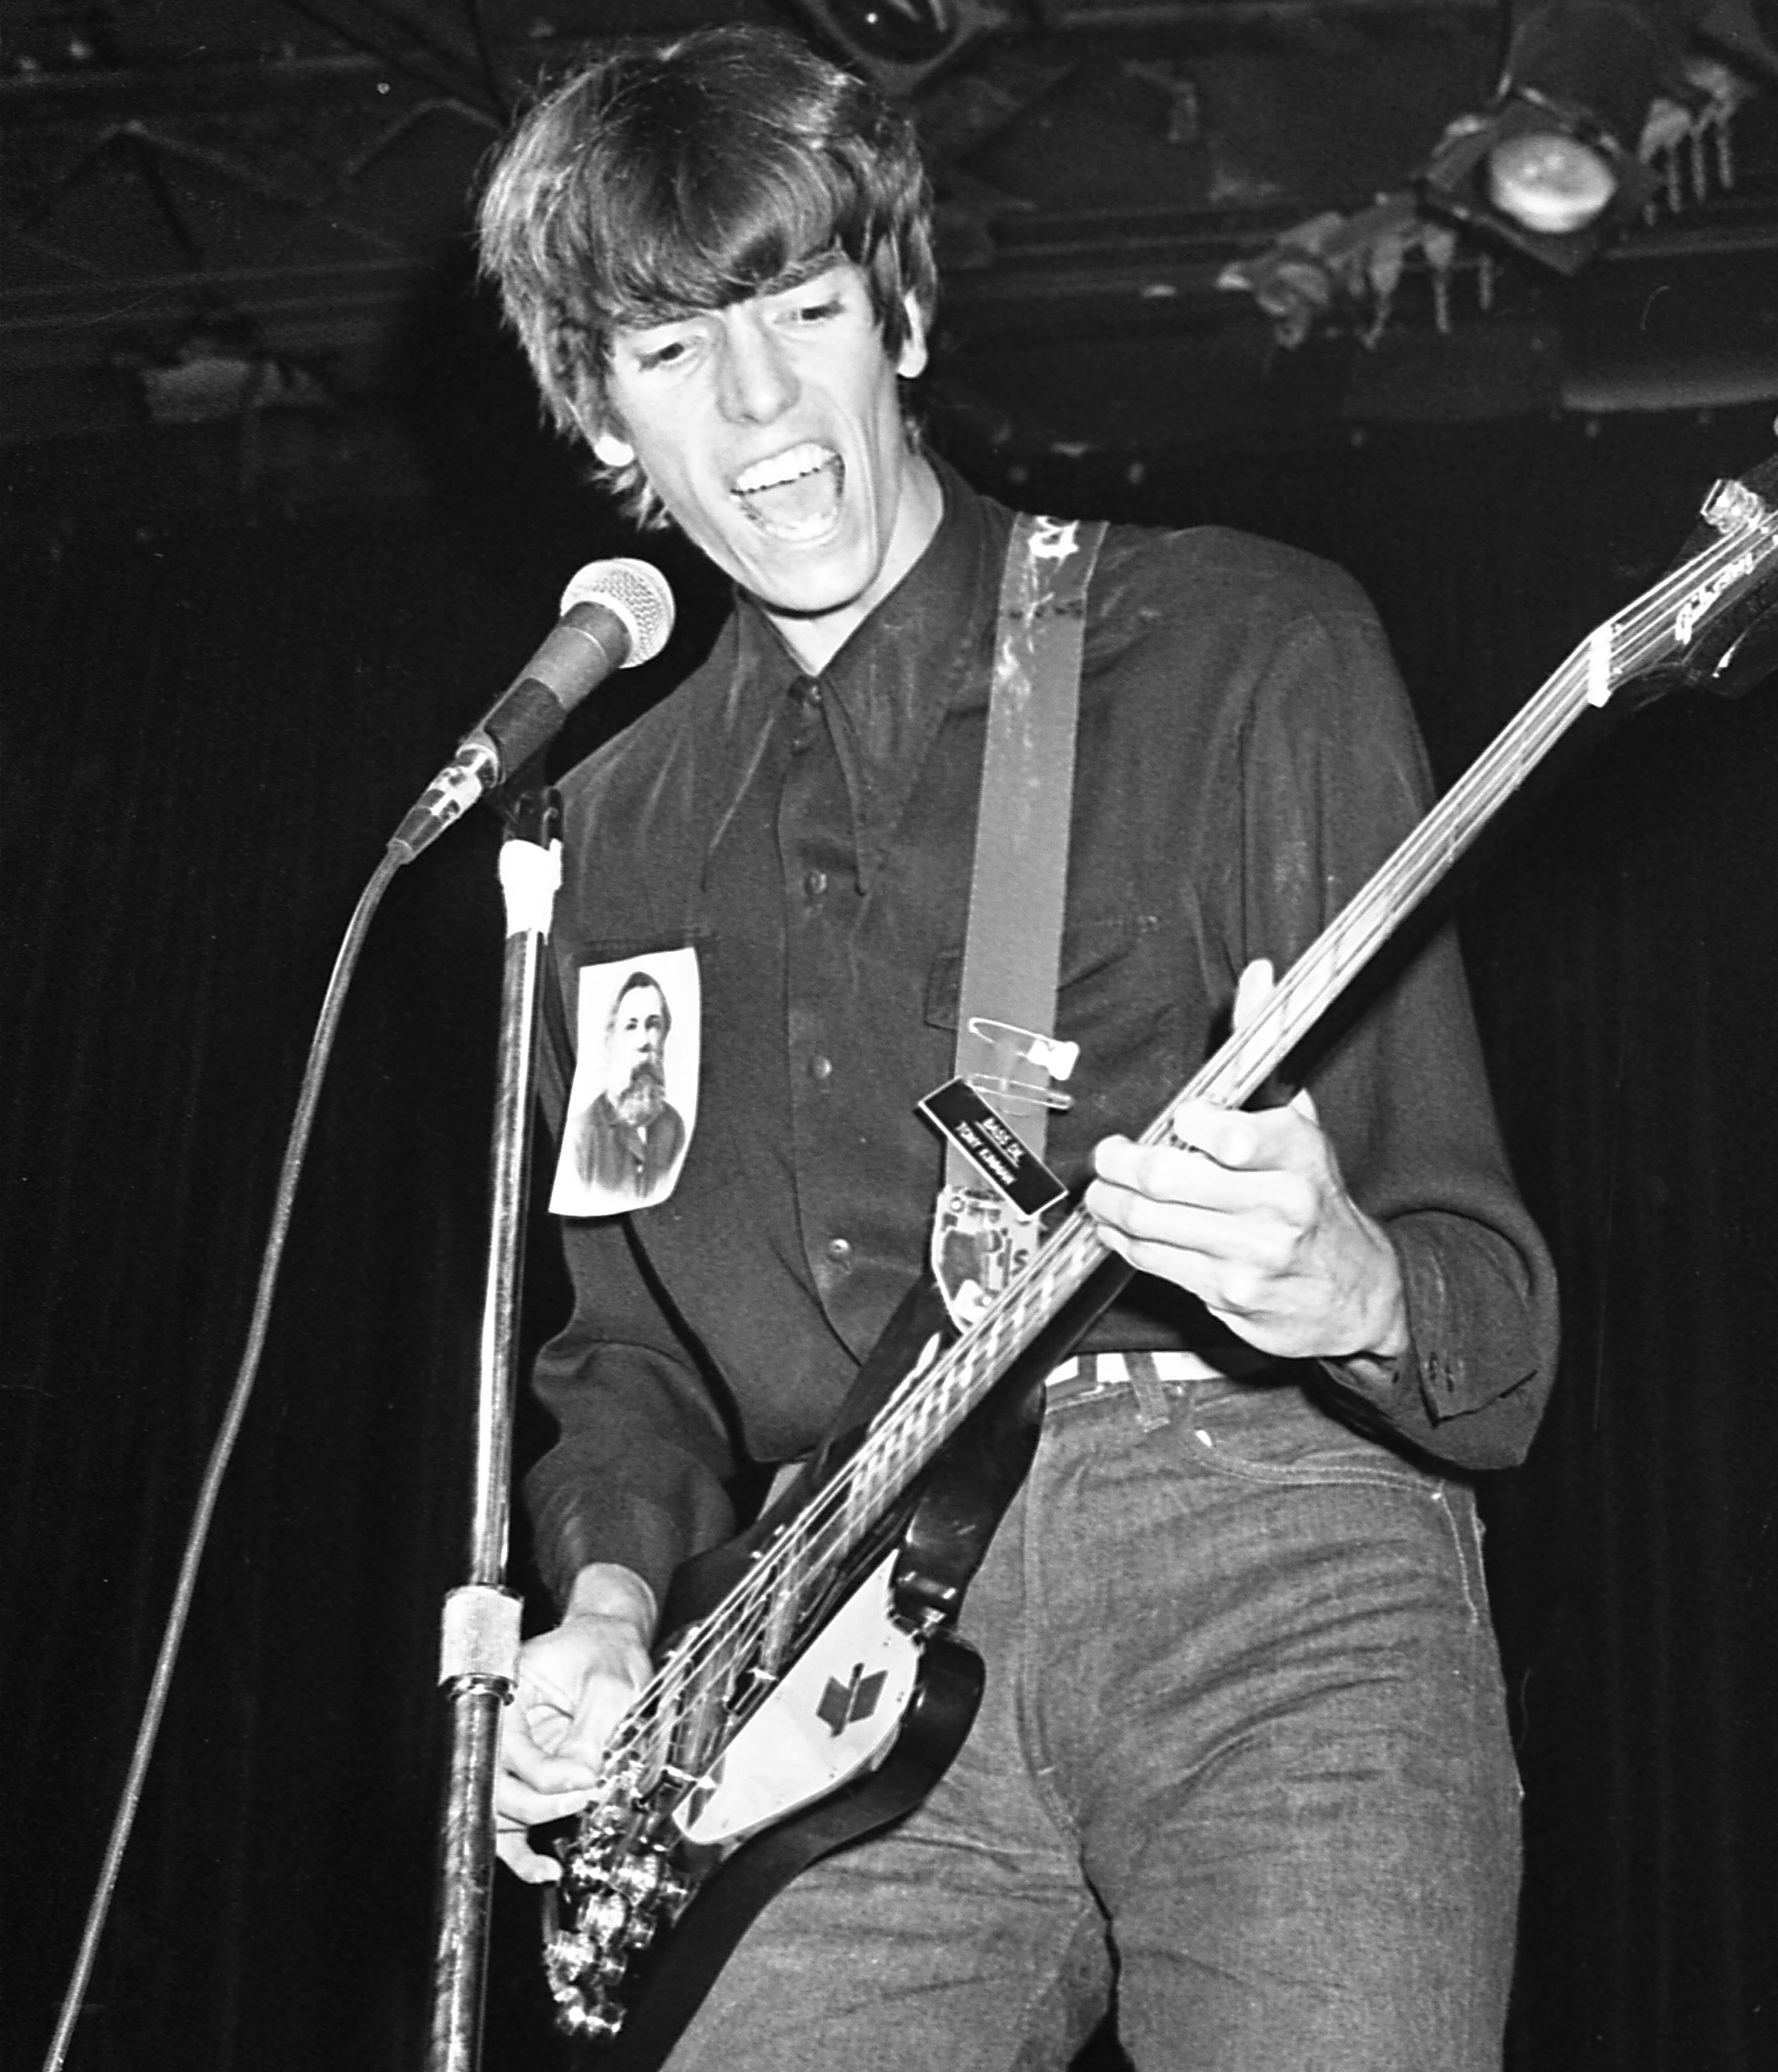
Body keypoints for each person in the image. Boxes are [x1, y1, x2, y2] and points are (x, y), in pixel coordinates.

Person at [481, 25, 1558, 2070]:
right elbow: (620, 1362)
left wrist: (1335, 1282)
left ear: (894, 306)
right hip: (821, 1658)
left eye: (799, 312)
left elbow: (1484, 1315)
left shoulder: (1233, 646)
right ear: (600, 417)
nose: (761, 407)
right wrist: (610, 1608)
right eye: (673, 355)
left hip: (1257, 1568)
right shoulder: (601, 839)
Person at [560, 967, 686, 1209]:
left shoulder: (673, 1126)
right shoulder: (582, 1134)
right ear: (611, 1040)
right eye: (630, 1027)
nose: (643, 1043)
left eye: (653, 1025)